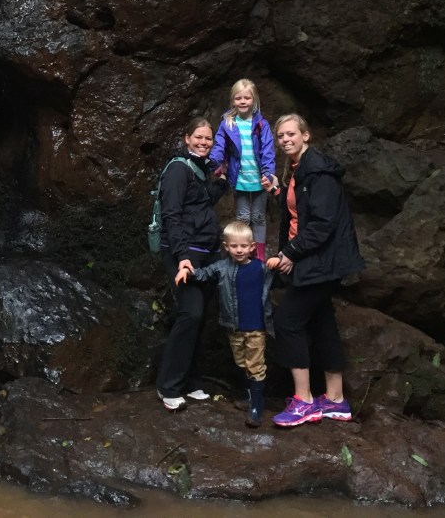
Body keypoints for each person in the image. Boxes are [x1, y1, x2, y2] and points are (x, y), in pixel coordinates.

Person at [266, 114, 366, 428]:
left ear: (306, 135)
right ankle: (335, 399)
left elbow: (323, 224)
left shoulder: (319, 172)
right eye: (281, 136)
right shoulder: (298, 170)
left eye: (291, 134)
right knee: (322, 323)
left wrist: (290, 253)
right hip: (315, 260)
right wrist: (279, 192)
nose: (285, 140)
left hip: (322, 261)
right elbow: (302, 212)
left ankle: (304, 401)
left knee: (287, 321)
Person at [155, 117, 229, 411]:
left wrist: (221, 181)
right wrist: (182, 255)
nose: (203, 142)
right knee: (191, 313)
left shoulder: (200, 169)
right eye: (198, 137)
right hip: (184, 254)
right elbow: (171, 215)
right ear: (187, 138)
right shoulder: (177, 169)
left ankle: (190, 380)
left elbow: (201, 203)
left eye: (208, 138)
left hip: (207, 252)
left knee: (201, 317)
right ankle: (168, 386)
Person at [176, 220, 278, 427]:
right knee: (242, 362)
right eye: (234, 246)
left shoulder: (261, 268)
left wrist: (278, 262)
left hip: (257, 327)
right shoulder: (222, 267)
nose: (239, 250)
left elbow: (280, 275)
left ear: (252, 247)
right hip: (235, 327)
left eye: (243, 246)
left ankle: (256, 406)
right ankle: (250, 396)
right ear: (226, 247)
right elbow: (204, 274)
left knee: (255, 365)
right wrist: (188, 271)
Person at [209, 79, 277, 263]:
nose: (243, 101)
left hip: (259, 178)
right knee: (243, 217)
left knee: (258, 217)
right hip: (239, 179)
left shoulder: (261, 124)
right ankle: (243, 252)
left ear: (254, 100)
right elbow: (219, 145)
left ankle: (259, 254)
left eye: (247, 98)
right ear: (233, 101)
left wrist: (268, 173)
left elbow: (268, 150)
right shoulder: (227, 123)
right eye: (238, 98)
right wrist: (213, 162)